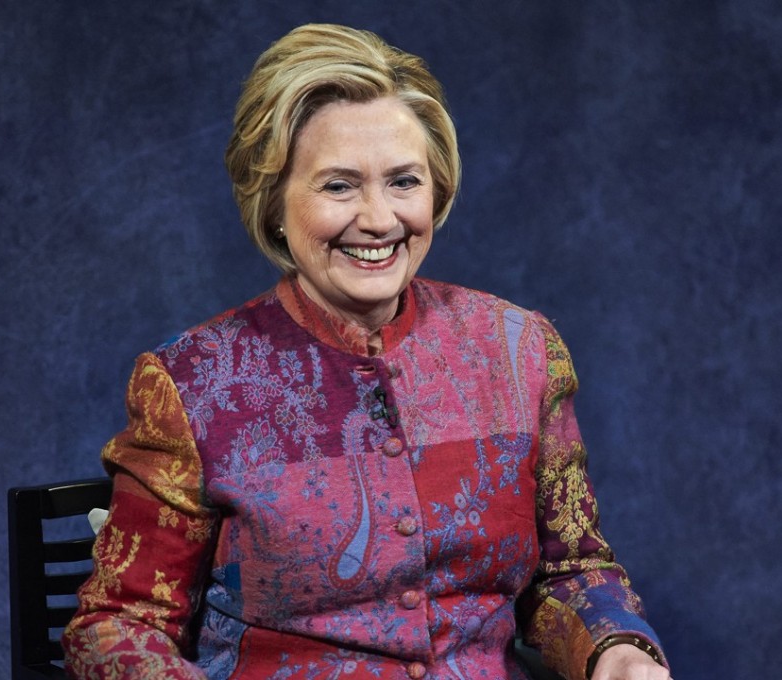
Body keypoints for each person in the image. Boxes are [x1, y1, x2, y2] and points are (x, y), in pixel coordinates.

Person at [63, 23, 671, 680]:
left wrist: (618, 652)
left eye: (404, 181)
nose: (379, 219)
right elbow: (117, 625)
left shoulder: (521, 351)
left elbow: (568, 573)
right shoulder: (194, 384)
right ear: (274, 203)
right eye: (339, 186)